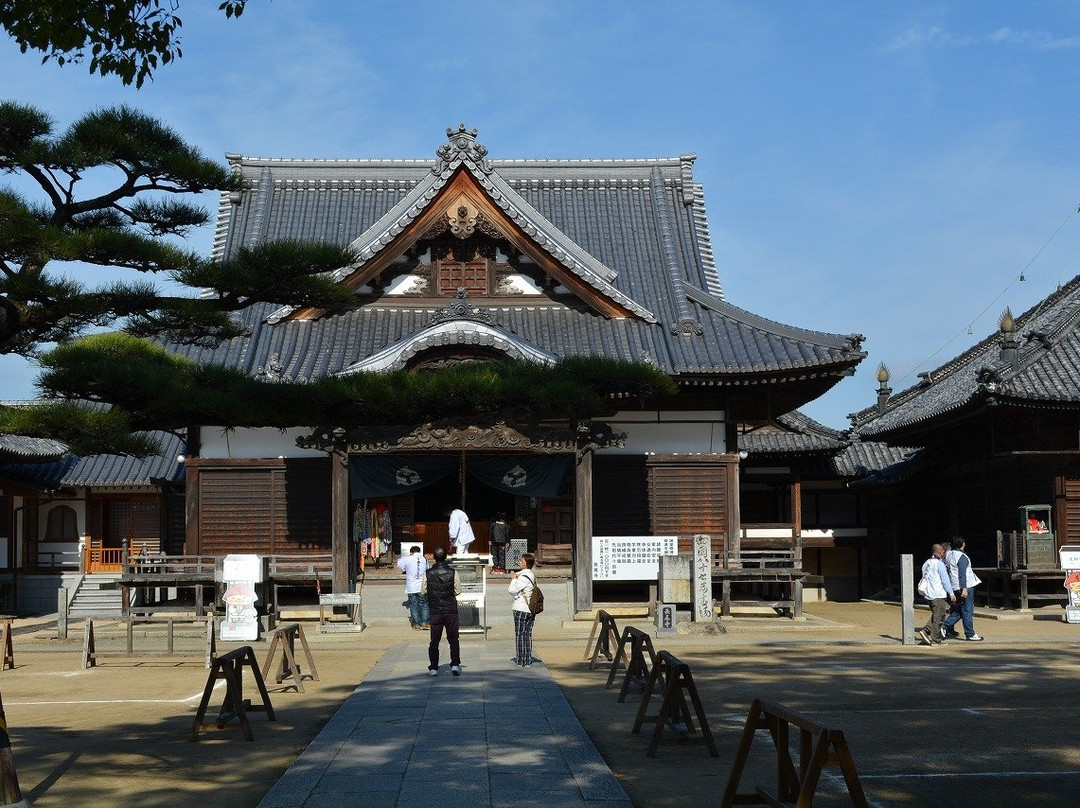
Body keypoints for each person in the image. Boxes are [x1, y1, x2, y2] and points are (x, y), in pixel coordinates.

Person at [422, 546, 462, 676]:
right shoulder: (453, 572)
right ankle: (455, 664)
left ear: (433, 557)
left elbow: (423, 591)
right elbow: (458, 590)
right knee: (454, 639)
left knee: (434, 640)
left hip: (435, 610)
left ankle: (433, 667)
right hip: (450, 609)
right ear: (446, 557)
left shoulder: (428, 573)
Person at [943, 537, 983, 641]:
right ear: (963, 544)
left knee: (958, 611)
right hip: (965, 586)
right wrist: (964, 588)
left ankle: (944, 627)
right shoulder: (962, 556)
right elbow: (962, 574)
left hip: (954, 586)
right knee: (967, 611)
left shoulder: (949, 555)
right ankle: (970, 634)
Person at [918, 543, 956, 646]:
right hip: (938, 594)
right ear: (940, 552)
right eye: (943, 551)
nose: (944, 553)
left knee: (936, 615)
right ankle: (935, 640)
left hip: (928, 594)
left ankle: (926, 631)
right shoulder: (939, 564)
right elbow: (945, 580)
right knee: (939, 617)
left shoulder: (926, 563)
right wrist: (951, 593)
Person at [508, 552, 538, 667]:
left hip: (521, 608)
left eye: (522, 561)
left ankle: (521, 660)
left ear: (527, 563)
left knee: (520, 634)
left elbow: (512, 590)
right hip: (530, 608)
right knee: (527, 634)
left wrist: (513, 579)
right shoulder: (532, 575)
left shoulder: (523, 577)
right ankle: (527, 659)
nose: (520, 562)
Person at [396, 545, 429, 630]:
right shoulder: (424, 559)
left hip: (411, 586)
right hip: (422, 586)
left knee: (413, 605)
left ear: (411, 552)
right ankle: (425, 623)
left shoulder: (407, 559)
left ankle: (416, 624)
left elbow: (399, 564)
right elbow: (427, 570)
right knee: (424, 604)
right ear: (419, 551)